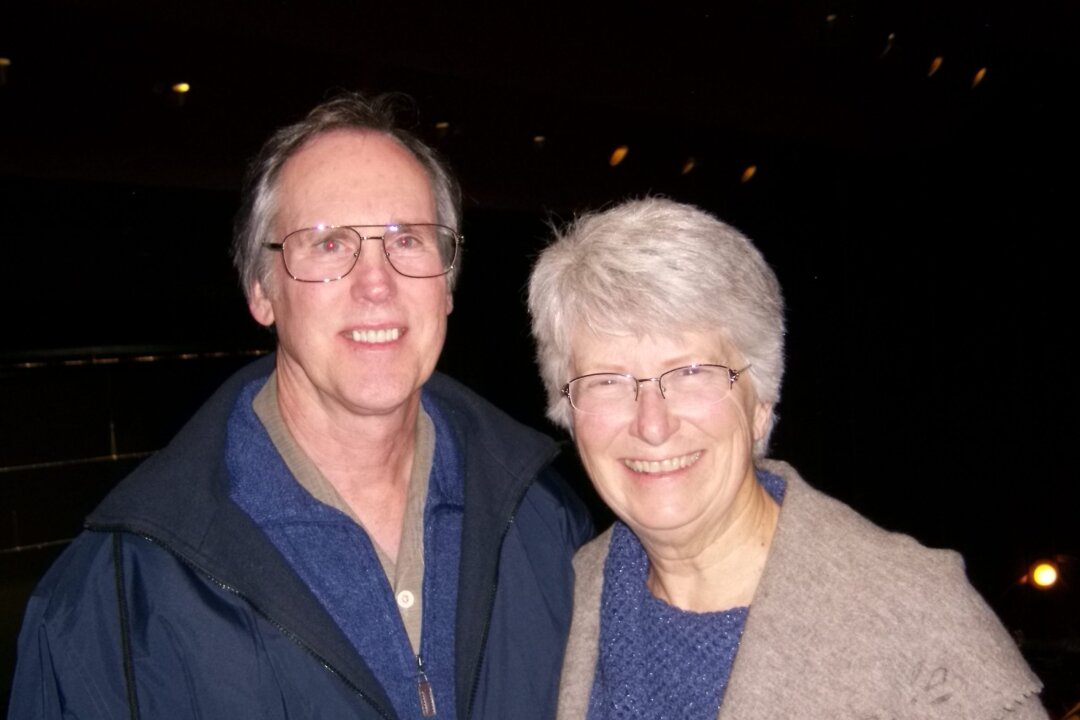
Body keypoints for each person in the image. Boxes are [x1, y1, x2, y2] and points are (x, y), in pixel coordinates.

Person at [8, 90, 593, 719]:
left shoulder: (546, 524)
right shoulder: (118, 600)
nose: (377, 284)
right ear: (263, 291)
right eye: (329, 244)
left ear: (447, 285)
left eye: (408, 240)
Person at [526, 196, 1049, 719]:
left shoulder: (917, 616)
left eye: (691, 373)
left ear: (761, 401)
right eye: (607, 382)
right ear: (566, 408)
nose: (652, 424)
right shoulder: (560, 596)